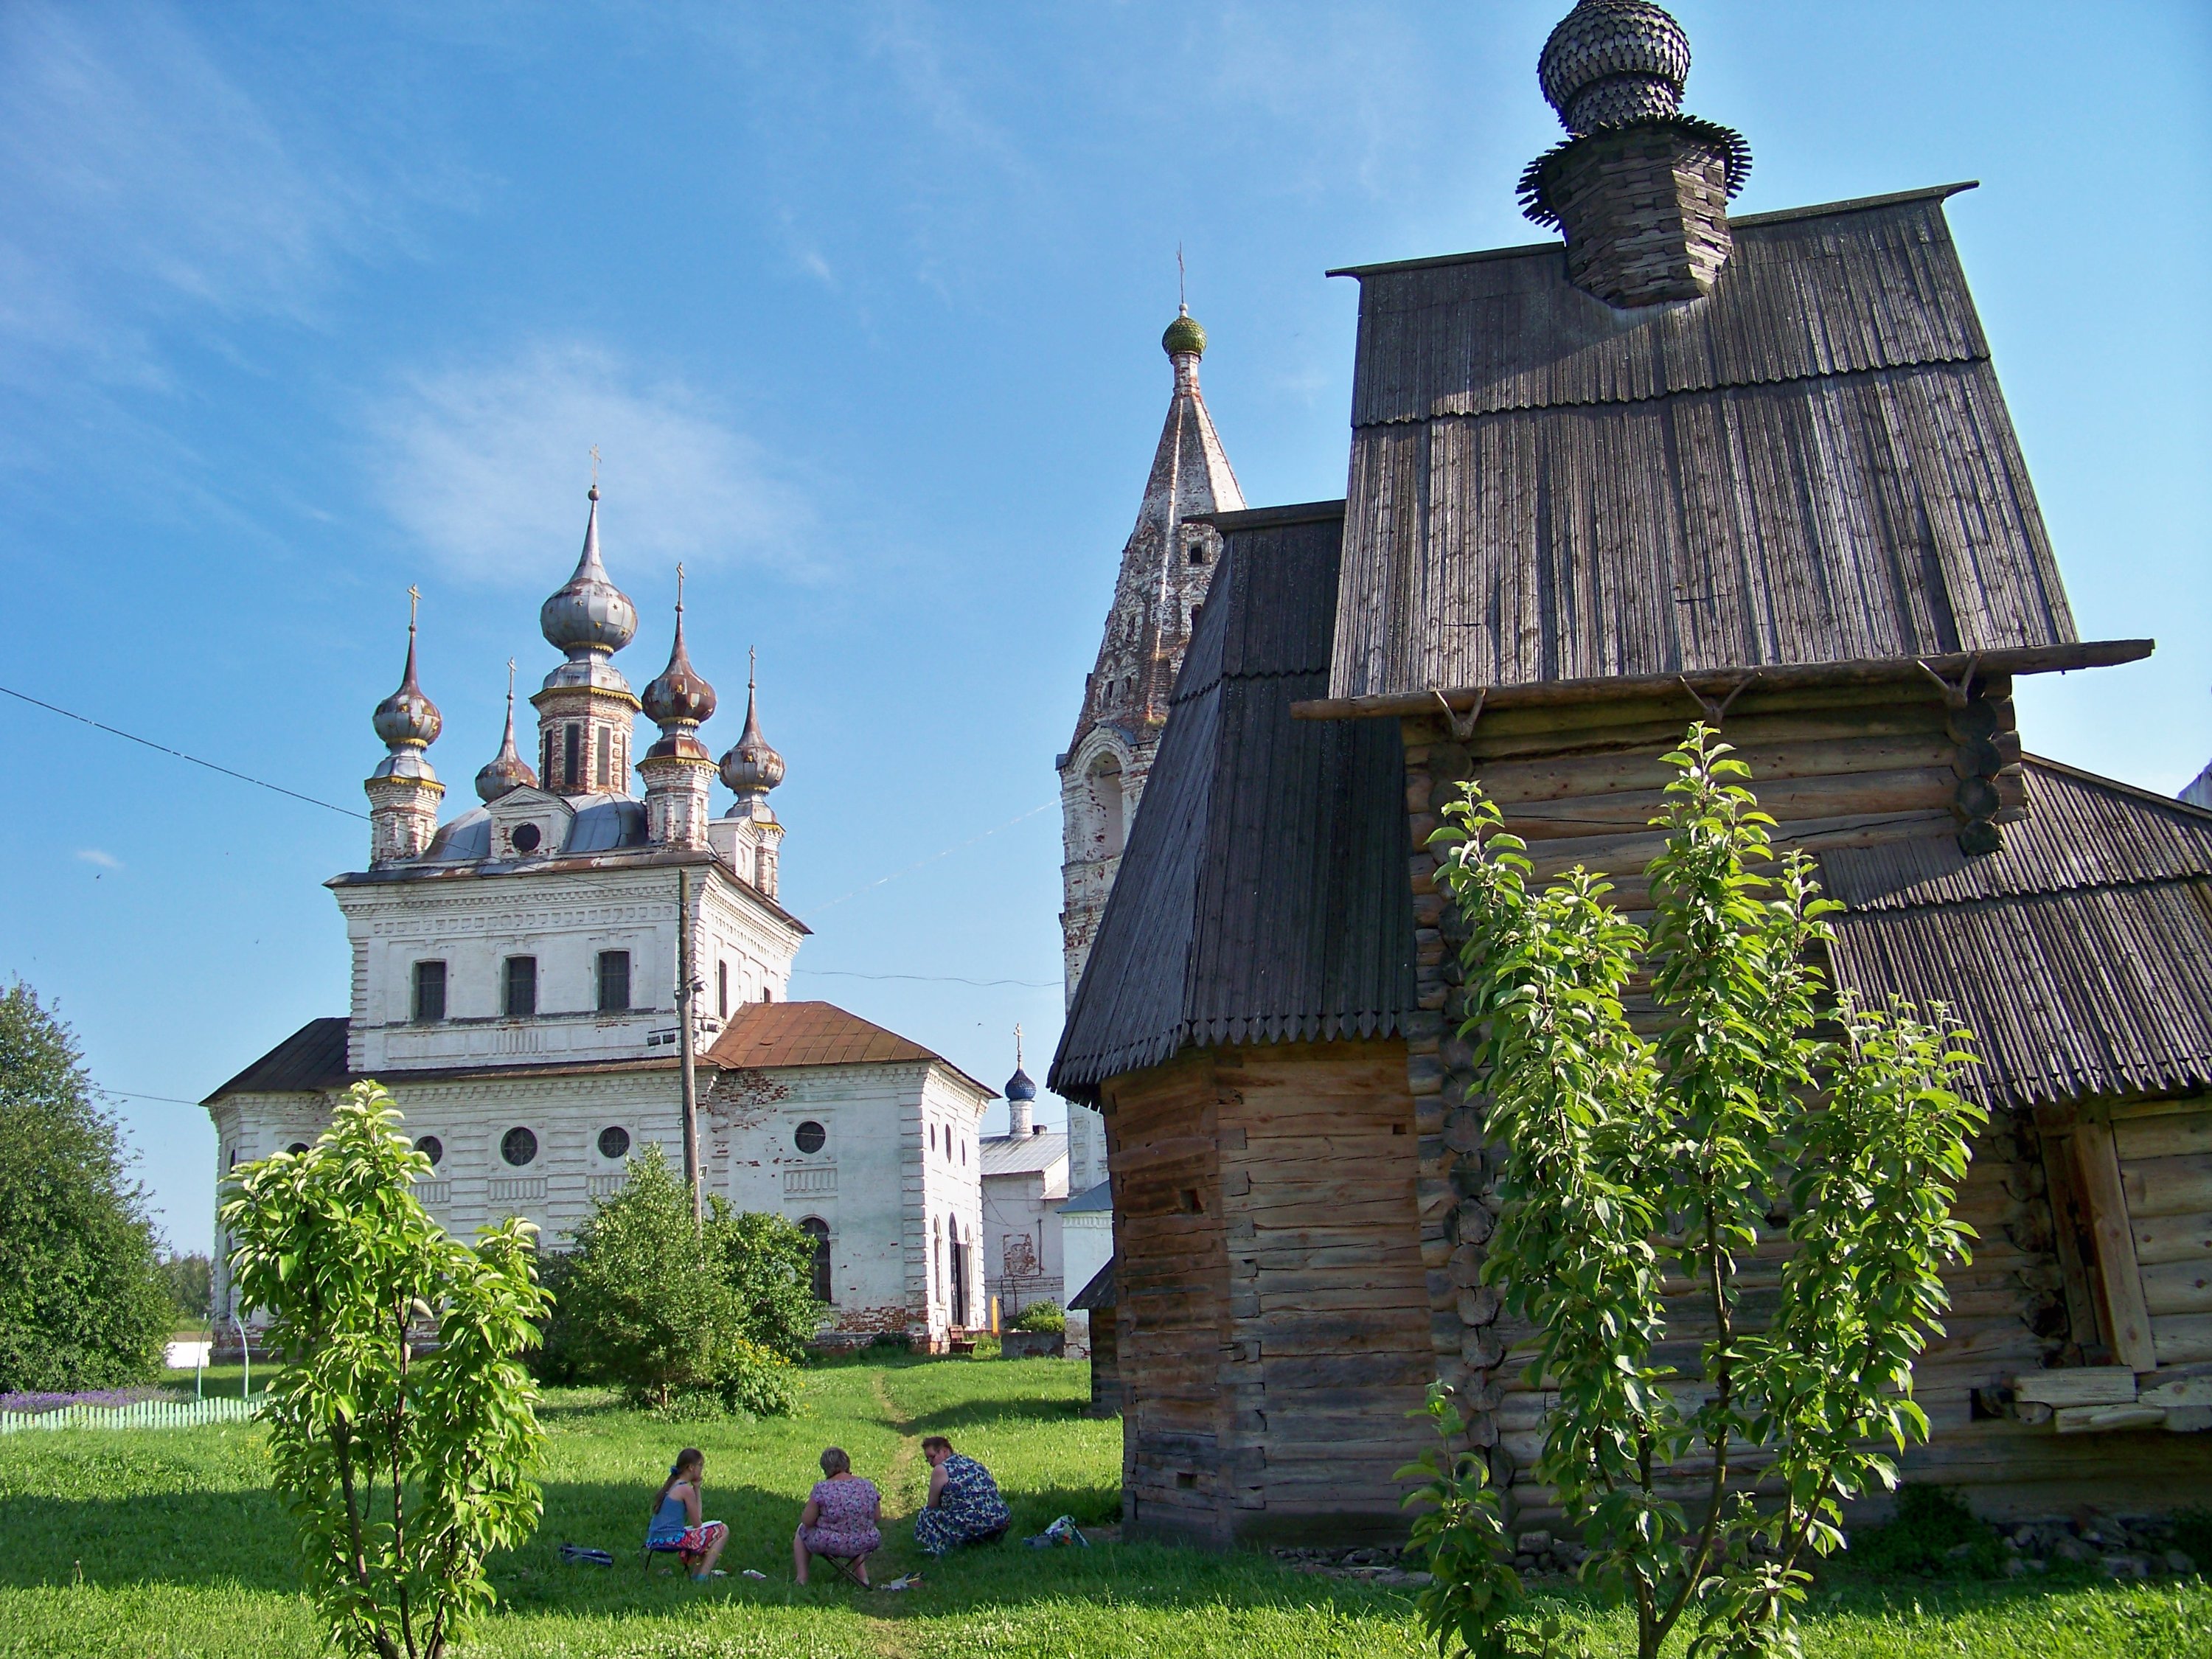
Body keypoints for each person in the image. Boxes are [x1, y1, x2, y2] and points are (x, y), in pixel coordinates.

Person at [794, 1445, 883, 1585]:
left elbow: (807, 1521)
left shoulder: (822, 1488)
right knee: (856, 1528)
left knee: (801, 1531)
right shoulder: (867, 1485)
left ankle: (802, 1578)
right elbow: (877, 1517)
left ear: (825, 1468)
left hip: (832, 1543)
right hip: (866, 1541)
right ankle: (863, 1578)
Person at [911, 1434, 1010, 1557]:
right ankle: (984, 1542)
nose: (930, 1462)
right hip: (1000, 1517)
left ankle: (941, 1550)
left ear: (945, 1451)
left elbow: (932, 1504)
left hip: (973, 1522)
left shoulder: (941, 1469)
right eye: (928, 1459)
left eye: (932, 1457)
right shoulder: (972, 1463)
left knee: (926, 1514)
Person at [646, 1447, 729, 1582]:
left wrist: (697, 1488)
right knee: (723, 1530)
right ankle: (701, 1577)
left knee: (705, 1534)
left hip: (655, 1538)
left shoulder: (673, 1484)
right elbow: (698, 1524)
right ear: (691, 1467)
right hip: (672, 1539)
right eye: (700, 1466)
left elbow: (698, 1521)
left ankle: (697, 1576)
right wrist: (695, 1490)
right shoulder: (685, 1490)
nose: (701, 1470)